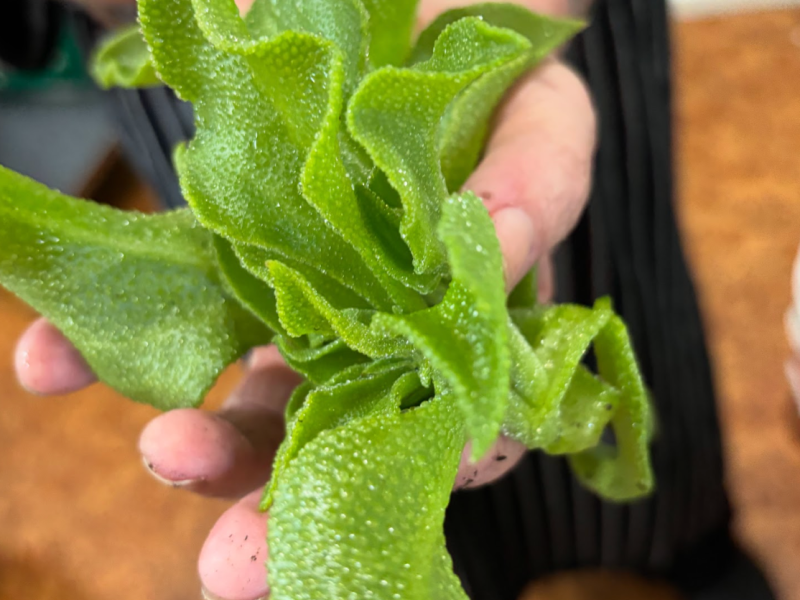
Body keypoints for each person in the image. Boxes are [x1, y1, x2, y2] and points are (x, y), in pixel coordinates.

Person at [3, 0, 776, 599]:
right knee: (438, 537)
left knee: (636, 362)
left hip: (529, 72)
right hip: (252, 142)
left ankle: (693, 557)